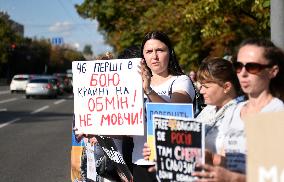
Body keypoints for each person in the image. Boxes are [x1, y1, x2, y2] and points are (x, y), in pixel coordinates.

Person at [193, 38, 284, 181]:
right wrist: (210, 157)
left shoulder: (274, 110)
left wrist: (232, 178)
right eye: (238, 67)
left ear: (272, 71)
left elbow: (274, 177)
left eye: (252, 67)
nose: (243, 73)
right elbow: (228, 161)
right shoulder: (234, 110)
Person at [133, 31, 195, 182]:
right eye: (149, 51)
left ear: (170, 53)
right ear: (143, 57)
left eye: (160, 50)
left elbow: (173, 115)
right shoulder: (133, 84)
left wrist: (148, 90)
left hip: (172, 162)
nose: (154, 56)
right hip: (140, 162)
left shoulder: (181, 81)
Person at [196, 57, 243, 157]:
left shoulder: (241, 113)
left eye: (206, 87)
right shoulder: (210, 108)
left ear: (226, 87)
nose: (201, 91)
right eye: (201, 86)